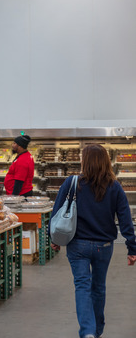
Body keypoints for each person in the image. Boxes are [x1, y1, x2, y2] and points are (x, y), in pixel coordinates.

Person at [50, 144, 136, 338]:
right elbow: (125, 219)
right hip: (103, 246)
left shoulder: (72, 183)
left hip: (77, 244)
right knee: (98, 287)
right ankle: (97, 331)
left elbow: (56, 213)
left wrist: (53, 238)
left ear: (85, 161)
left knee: (82, 286)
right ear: (106, 161)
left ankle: (87, 332)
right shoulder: (115, 187)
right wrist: (132, 248)